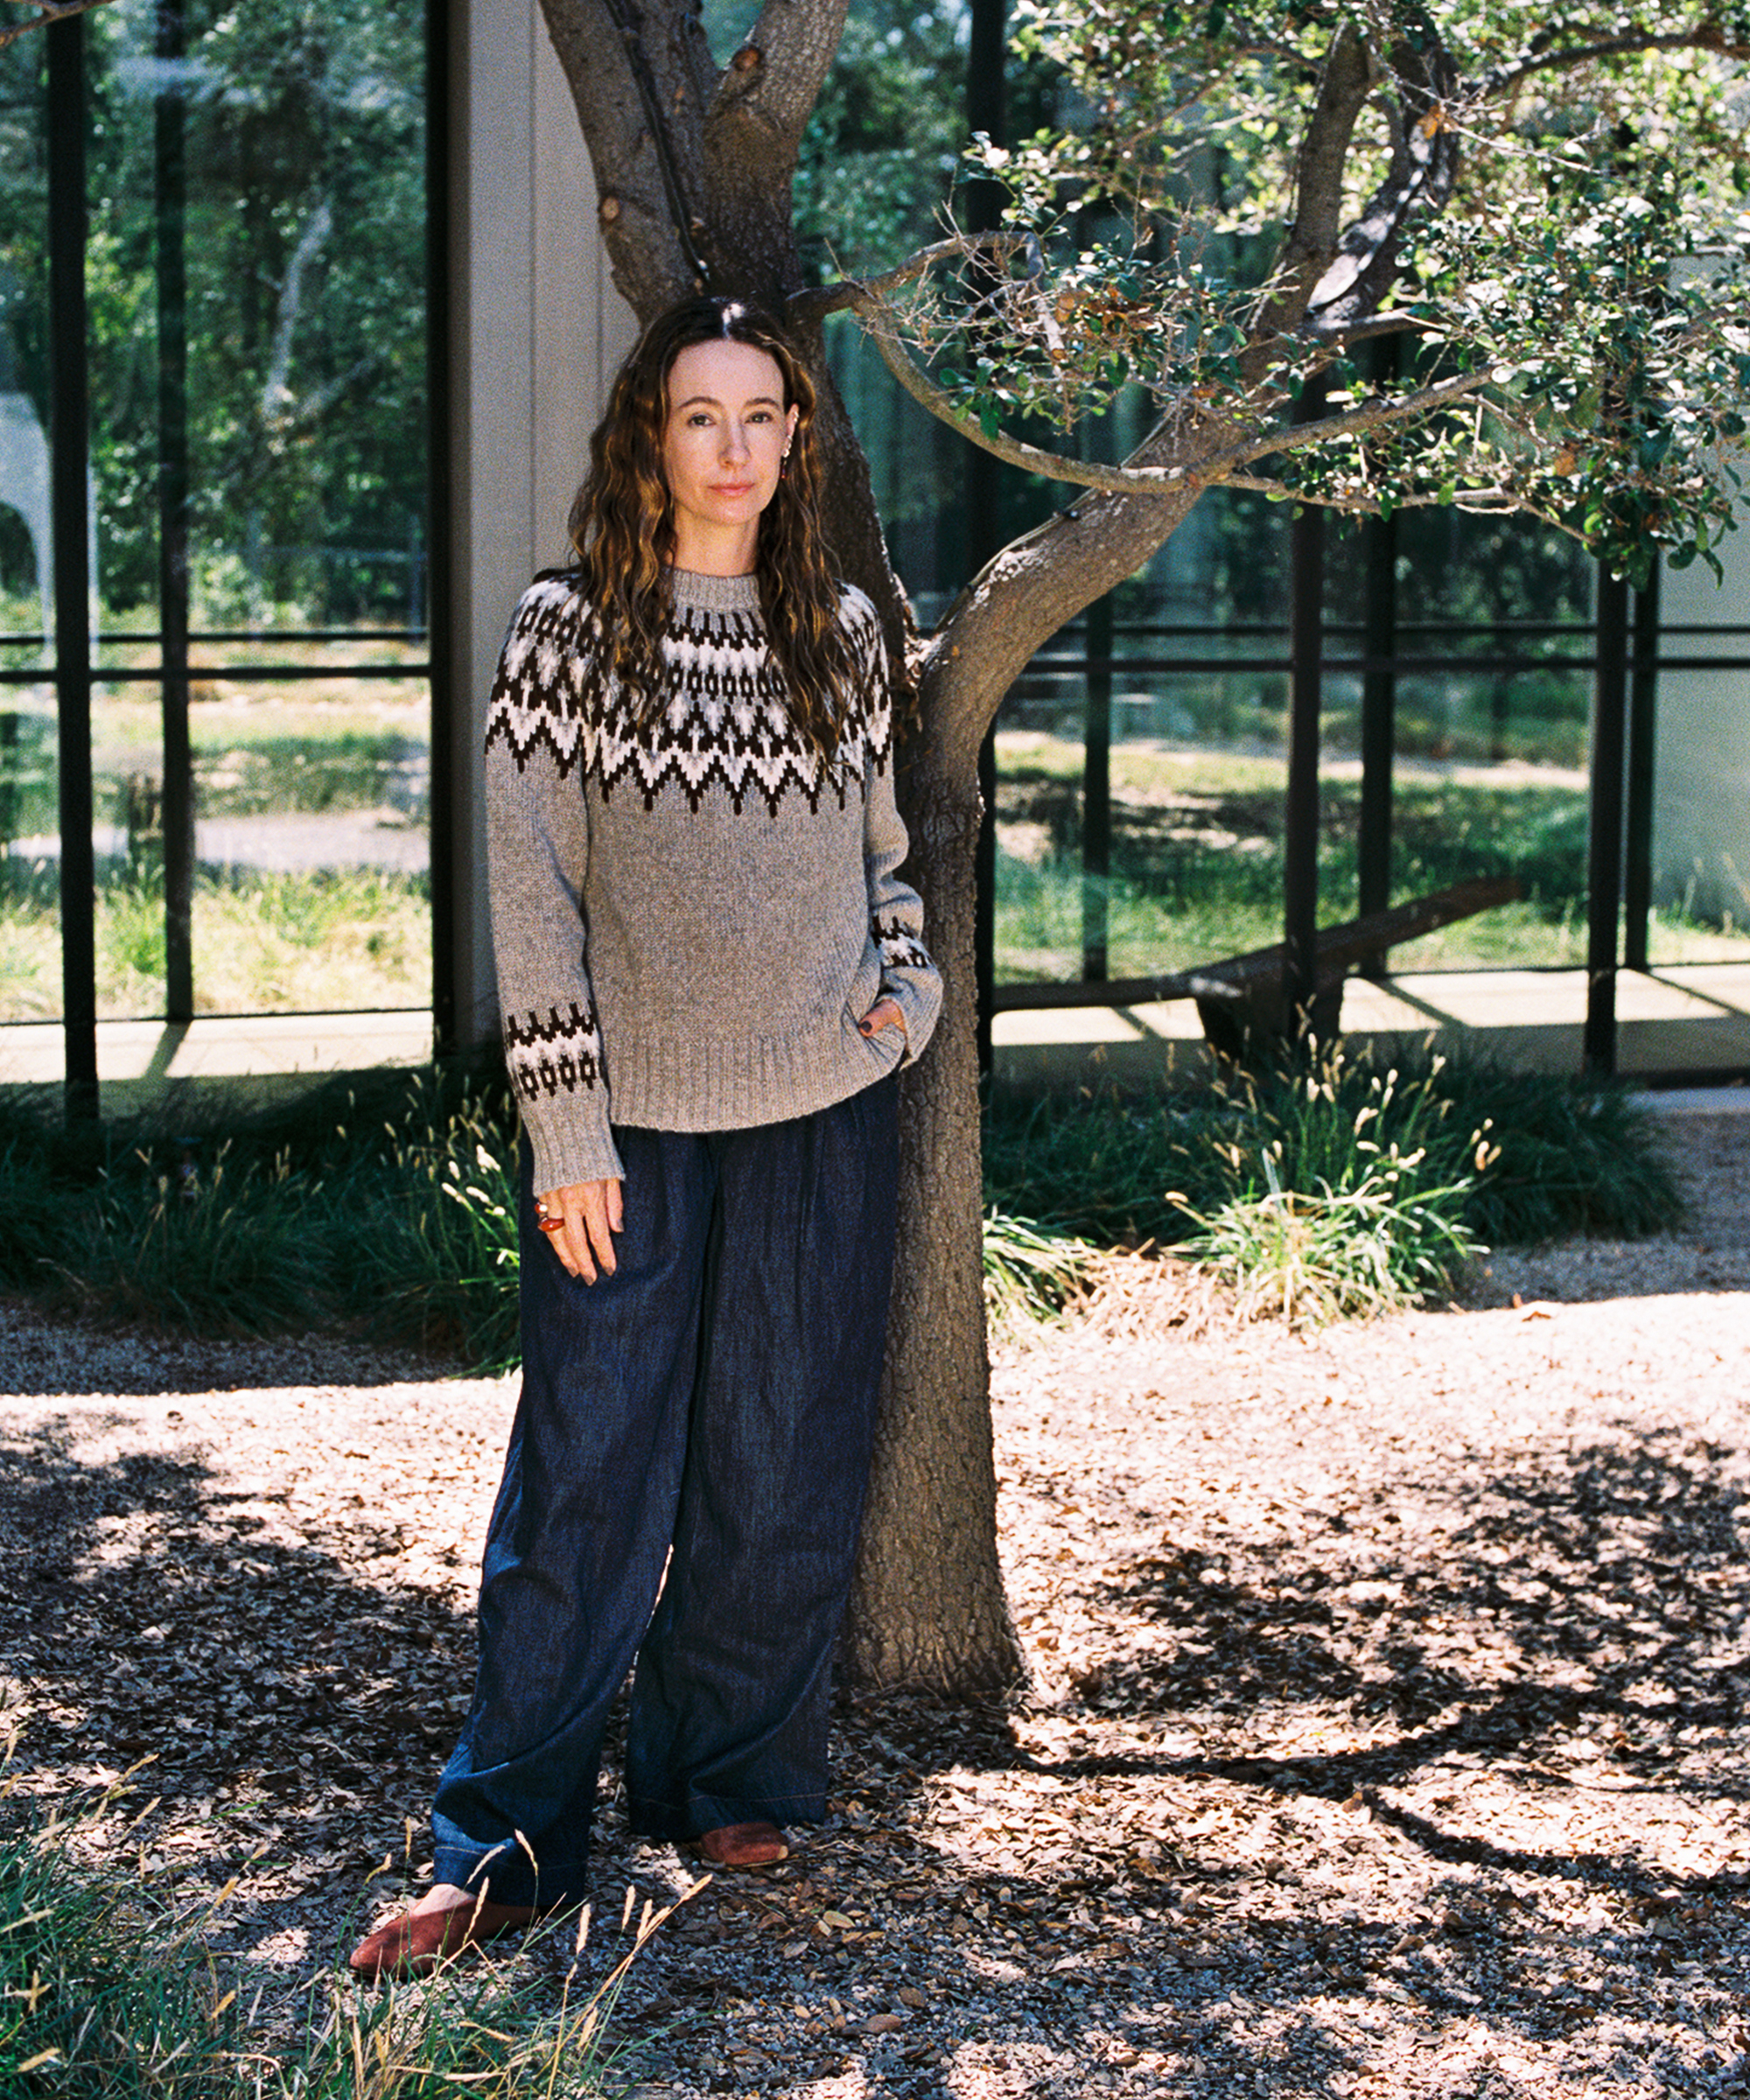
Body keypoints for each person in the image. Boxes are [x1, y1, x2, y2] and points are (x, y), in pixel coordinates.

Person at [348, 297, 942, 1982]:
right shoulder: (570, 631)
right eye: (703, 417)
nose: (737, 449)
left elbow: (885, 865)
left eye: (765, 417)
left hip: (823, 1113)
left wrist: (904, 997)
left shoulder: (839, 632)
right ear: (651, 437)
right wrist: (565, 1130)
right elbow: (530, 901)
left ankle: (726, 1777)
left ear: (798, 440)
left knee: (782, 1464)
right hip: (629, 1134)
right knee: (587, 1481)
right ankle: (511, 1847)